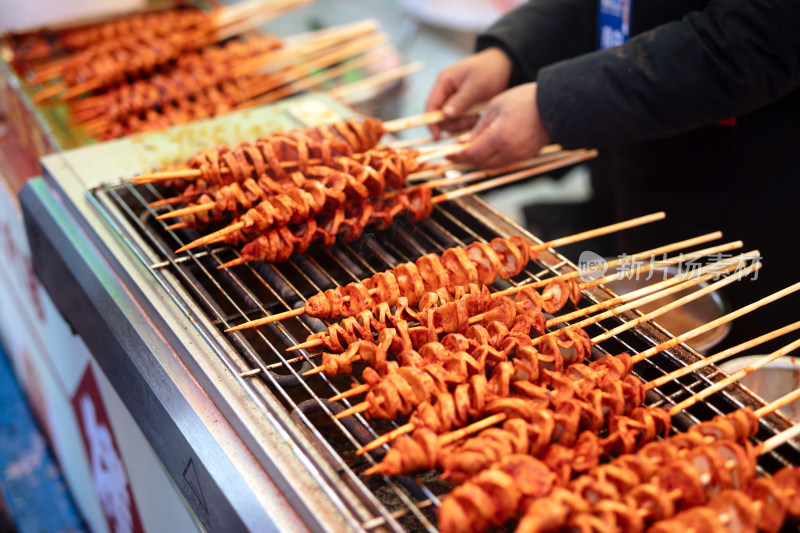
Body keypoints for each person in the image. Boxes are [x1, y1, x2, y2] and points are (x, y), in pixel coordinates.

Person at [426, 0, 800, 352]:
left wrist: (553, 105)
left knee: (714, 353)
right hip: (630, 160)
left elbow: (756, 37)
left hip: (746, 200)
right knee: (628, 321)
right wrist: (511, 52)